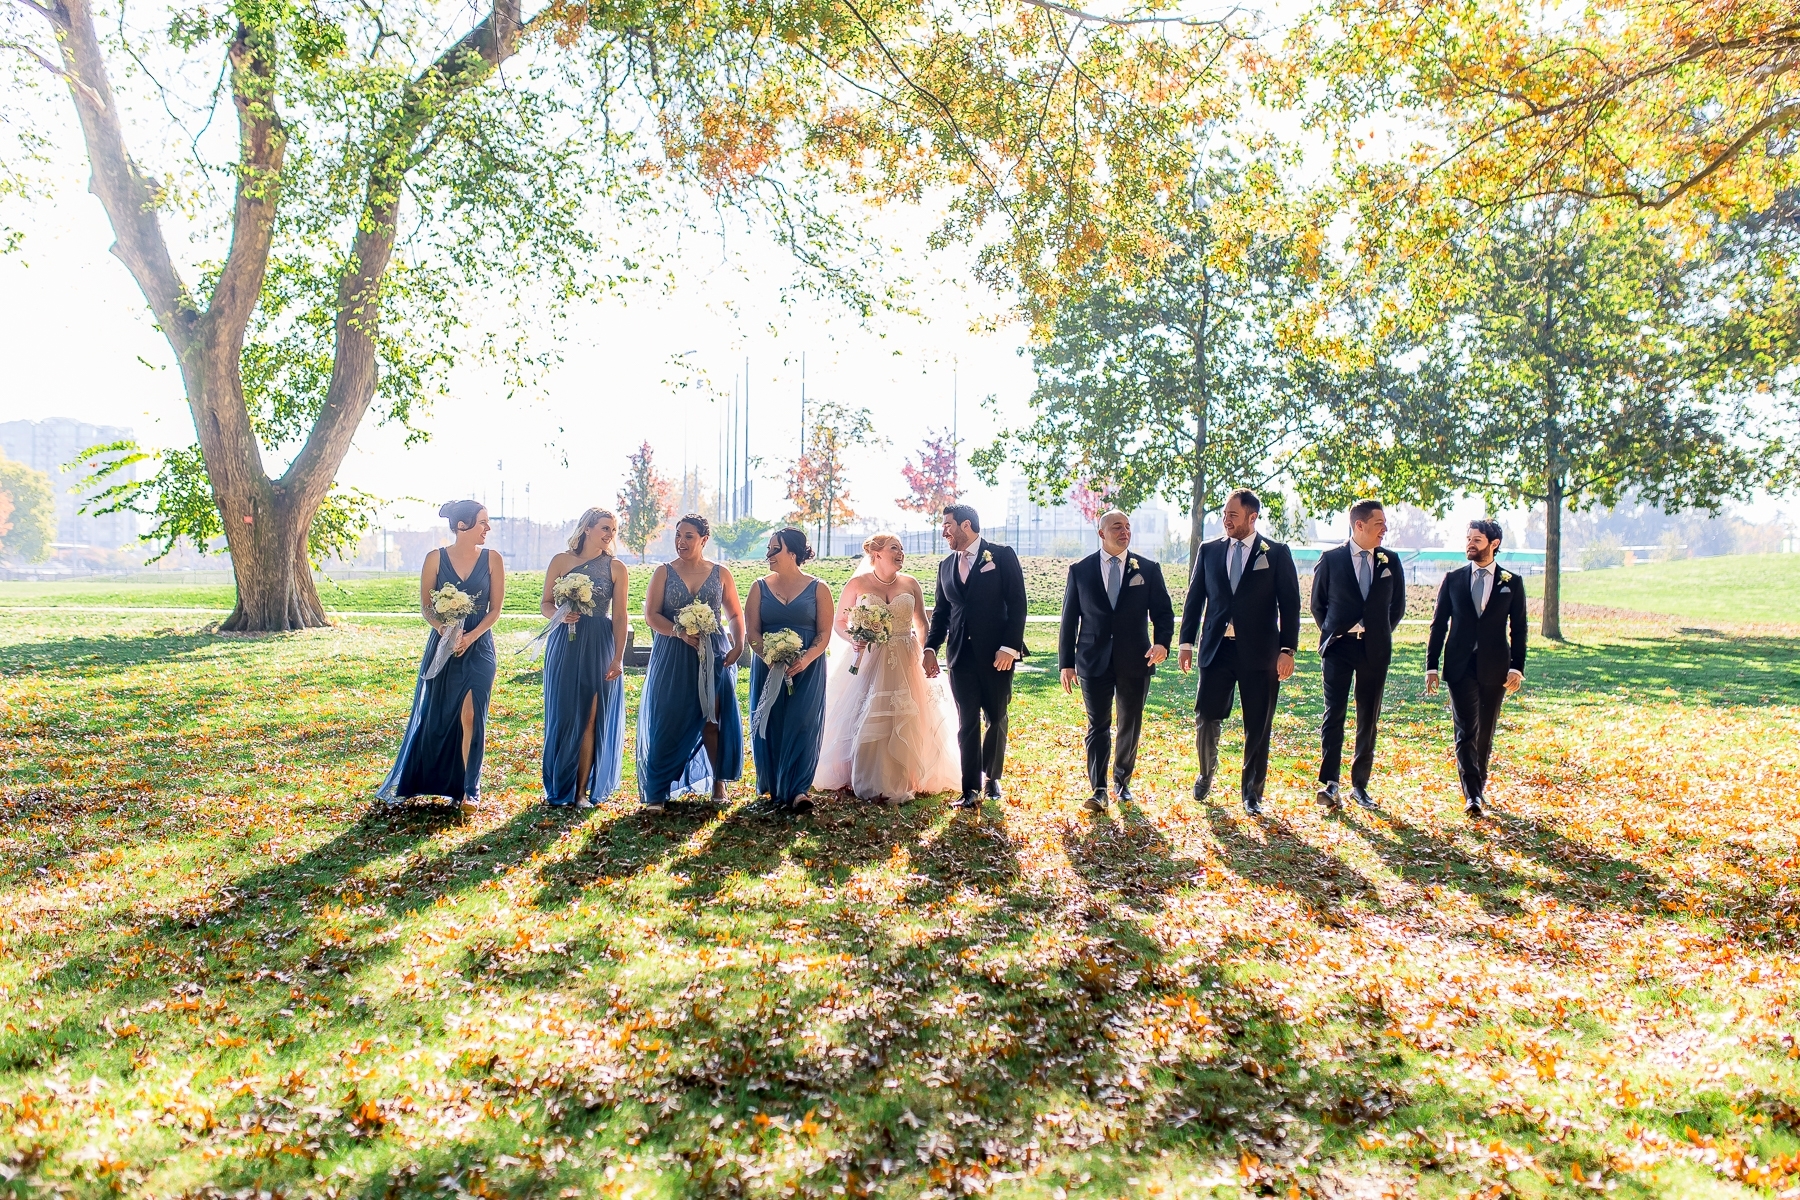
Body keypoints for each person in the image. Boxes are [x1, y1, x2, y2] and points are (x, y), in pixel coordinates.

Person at [379, 500, 506, 820]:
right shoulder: (434, 558)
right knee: (439, 717)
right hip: (443, 647)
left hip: (479, 647)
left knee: (471, 716)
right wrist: (444, 630)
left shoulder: (494, 560)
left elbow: (495, 611)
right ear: (462, 526)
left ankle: (468, 789)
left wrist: (469, 636)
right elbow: (427, 606)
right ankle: (439, 781)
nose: (488, 528)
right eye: (482, 522)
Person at [1177, 488, 1300, 815]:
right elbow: (1195, 599)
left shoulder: (1275, 553)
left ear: (1252, 517)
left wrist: (1287, 649)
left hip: (1261, 654)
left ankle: (1251, 794)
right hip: (1216, 650)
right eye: (1225, 514)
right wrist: (1186, 642)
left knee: (1258, 725)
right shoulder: (1209, 550)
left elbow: (1290, 605)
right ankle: (1206, 772)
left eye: (1233, 514)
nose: (1226, 519)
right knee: (1206, 716)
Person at [817, 533, 962, 804]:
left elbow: (921, 624)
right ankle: (869, 776)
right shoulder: (858, 583)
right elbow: (840, 621)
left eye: (902, 549)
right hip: (870, 656)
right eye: (895, 548)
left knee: (907, 716)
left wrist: (927, 654)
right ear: (877, 553)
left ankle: (905, 777)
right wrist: (853, 639)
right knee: (869, 714)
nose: (901, 553)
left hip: (906, 658)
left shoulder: (911, 584)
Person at [1059, 509, 1174, 813]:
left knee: (1129, 724)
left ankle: (1122, 782)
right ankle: (1098, 789)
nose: (1124, 532)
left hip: (1136, 660)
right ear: (1101, 533)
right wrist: (1066, 663)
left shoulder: (1147, 569)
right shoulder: (1080, 570)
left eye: (1127, 527)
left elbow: (1163, 612)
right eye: (1116, 527)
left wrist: (1162, 643)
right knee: (1098, 724)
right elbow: (1069, 620)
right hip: (1092, 660)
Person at [637, 514, 746, 810]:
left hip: (712, 653)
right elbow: (651, 615)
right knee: (668, 717)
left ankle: (718, 783)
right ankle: (657, 791)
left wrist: (738, 643)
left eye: (688, 536)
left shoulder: (721, 573)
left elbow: (735, 615)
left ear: (703, 540)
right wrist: (678, 631)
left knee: (712, 719)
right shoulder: (663, 572)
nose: (680, 542)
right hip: (673, 655)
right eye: (677, 535)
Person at [924, 505, 1029, 811]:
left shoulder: (1001, 555)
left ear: (965, 525)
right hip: (960, 657)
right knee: (966, 721)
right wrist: (931, 648)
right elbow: (942, 613)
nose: (943, 531)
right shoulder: (945, 566)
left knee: (996, 717)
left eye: (947, 525)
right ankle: (970, 788)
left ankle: (992, 776)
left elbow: (1018, 603)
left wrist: (1009, 648)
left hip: (998, 655)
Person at [1310, 499, 1409, 812]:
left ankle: (1359, 785)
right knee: (1333, 715)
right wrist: (1335, 631)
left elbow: (1398, 607)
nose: (1385, 529)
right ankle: (1330, 783)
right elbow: (1317, 604)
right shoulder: (1330, 559)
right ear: (1359, 525)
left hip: (1374, 650)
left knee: (1368, 718)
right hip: (1338, 647)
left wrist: (1377, 631)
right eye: (1379, 523)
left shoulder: (1390, 561)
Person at [1426, 518, 1527, 818]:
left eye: (1477, 540)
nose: (1470, 544)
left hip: (1496, 668)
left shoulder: (1512, 583)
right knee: (1467, 729)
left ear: (1494, 544)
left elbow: (1518, 628)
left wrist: (1517, 668)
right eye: (1468, 538)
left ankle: (1478, 786)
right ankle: (1472, 794)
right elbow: (1438, 624)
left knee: (1485, 731)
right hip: (1460, 665)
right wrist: (1432, 665)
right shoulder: (1454, 579)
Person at [539, 507, 630, 808]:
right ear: (587, 528)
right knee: (565, 715)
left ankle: (580, 792)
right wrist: (560, 616)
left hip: (599, 642)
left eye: (613, 530)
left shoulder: (616, 568)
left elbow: (619, 616)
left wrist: (618, 658)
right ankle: (559, 785)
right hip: (565, 642)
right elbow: (546, 604)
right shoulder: (561, 561)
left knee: (592, 715)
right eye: (604, 528)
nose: (609, 535)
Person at [745, 528, 833, 814]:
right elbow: (753, 632)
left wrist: (806, 659)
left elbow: (824, 632)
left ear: (792, 553)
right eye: (769, 549)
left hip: (807, 667)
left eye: (774, 549)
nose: (768, 555)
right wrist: (768, 656)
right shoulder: (758, 587)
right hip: (769, 666)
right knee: (772, 722)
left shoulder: (819, 588)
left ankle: (798, 790)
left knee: (802, 722)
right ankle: (773, 784)